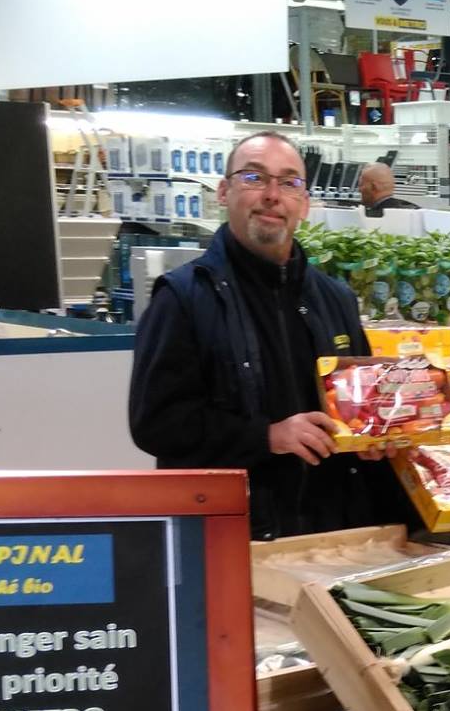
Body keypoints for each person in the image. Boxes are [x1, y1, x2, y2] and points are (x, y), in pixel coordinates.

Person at [128, 130, 413, 539]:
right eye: (254, 178)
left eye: (289, 182)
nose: (272, 194)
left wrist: (374, 438)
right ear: (224, 192)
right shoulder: (183, 298)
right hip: (235, 534)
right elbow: (155, 423)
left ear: (305, 204)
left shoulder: (336, 298)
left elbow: (359, 404)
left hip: (334, 533)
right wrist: (267, 436)